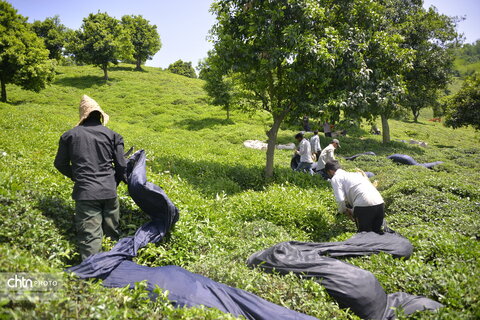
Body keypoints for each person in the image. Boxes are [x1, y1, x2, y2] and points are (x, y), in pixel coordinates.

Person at [54, 95, 127, 260]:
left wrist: (79, 177)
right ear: (100, 116)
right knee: (111, 237)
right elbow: (122, 166)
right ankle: (114, 274)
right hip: (109, 193)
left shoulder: (69, 136)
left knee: (90, 240)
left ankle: (92, 280)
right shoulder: (114, 136)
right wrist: (113, 182)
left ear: (83, 116)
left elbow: (60, 164)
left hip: (86, 194)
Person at [325, 160, 384, 233]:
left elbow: (340, 199)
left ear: (330, 171)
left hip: (364, 205)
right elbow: (359, 194)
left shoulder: (336, 178)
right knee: (377, 233)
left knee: (364, 235)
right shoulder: (356, 174)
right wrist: (353, 210)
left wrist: (343, 211)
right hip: (380, 202)